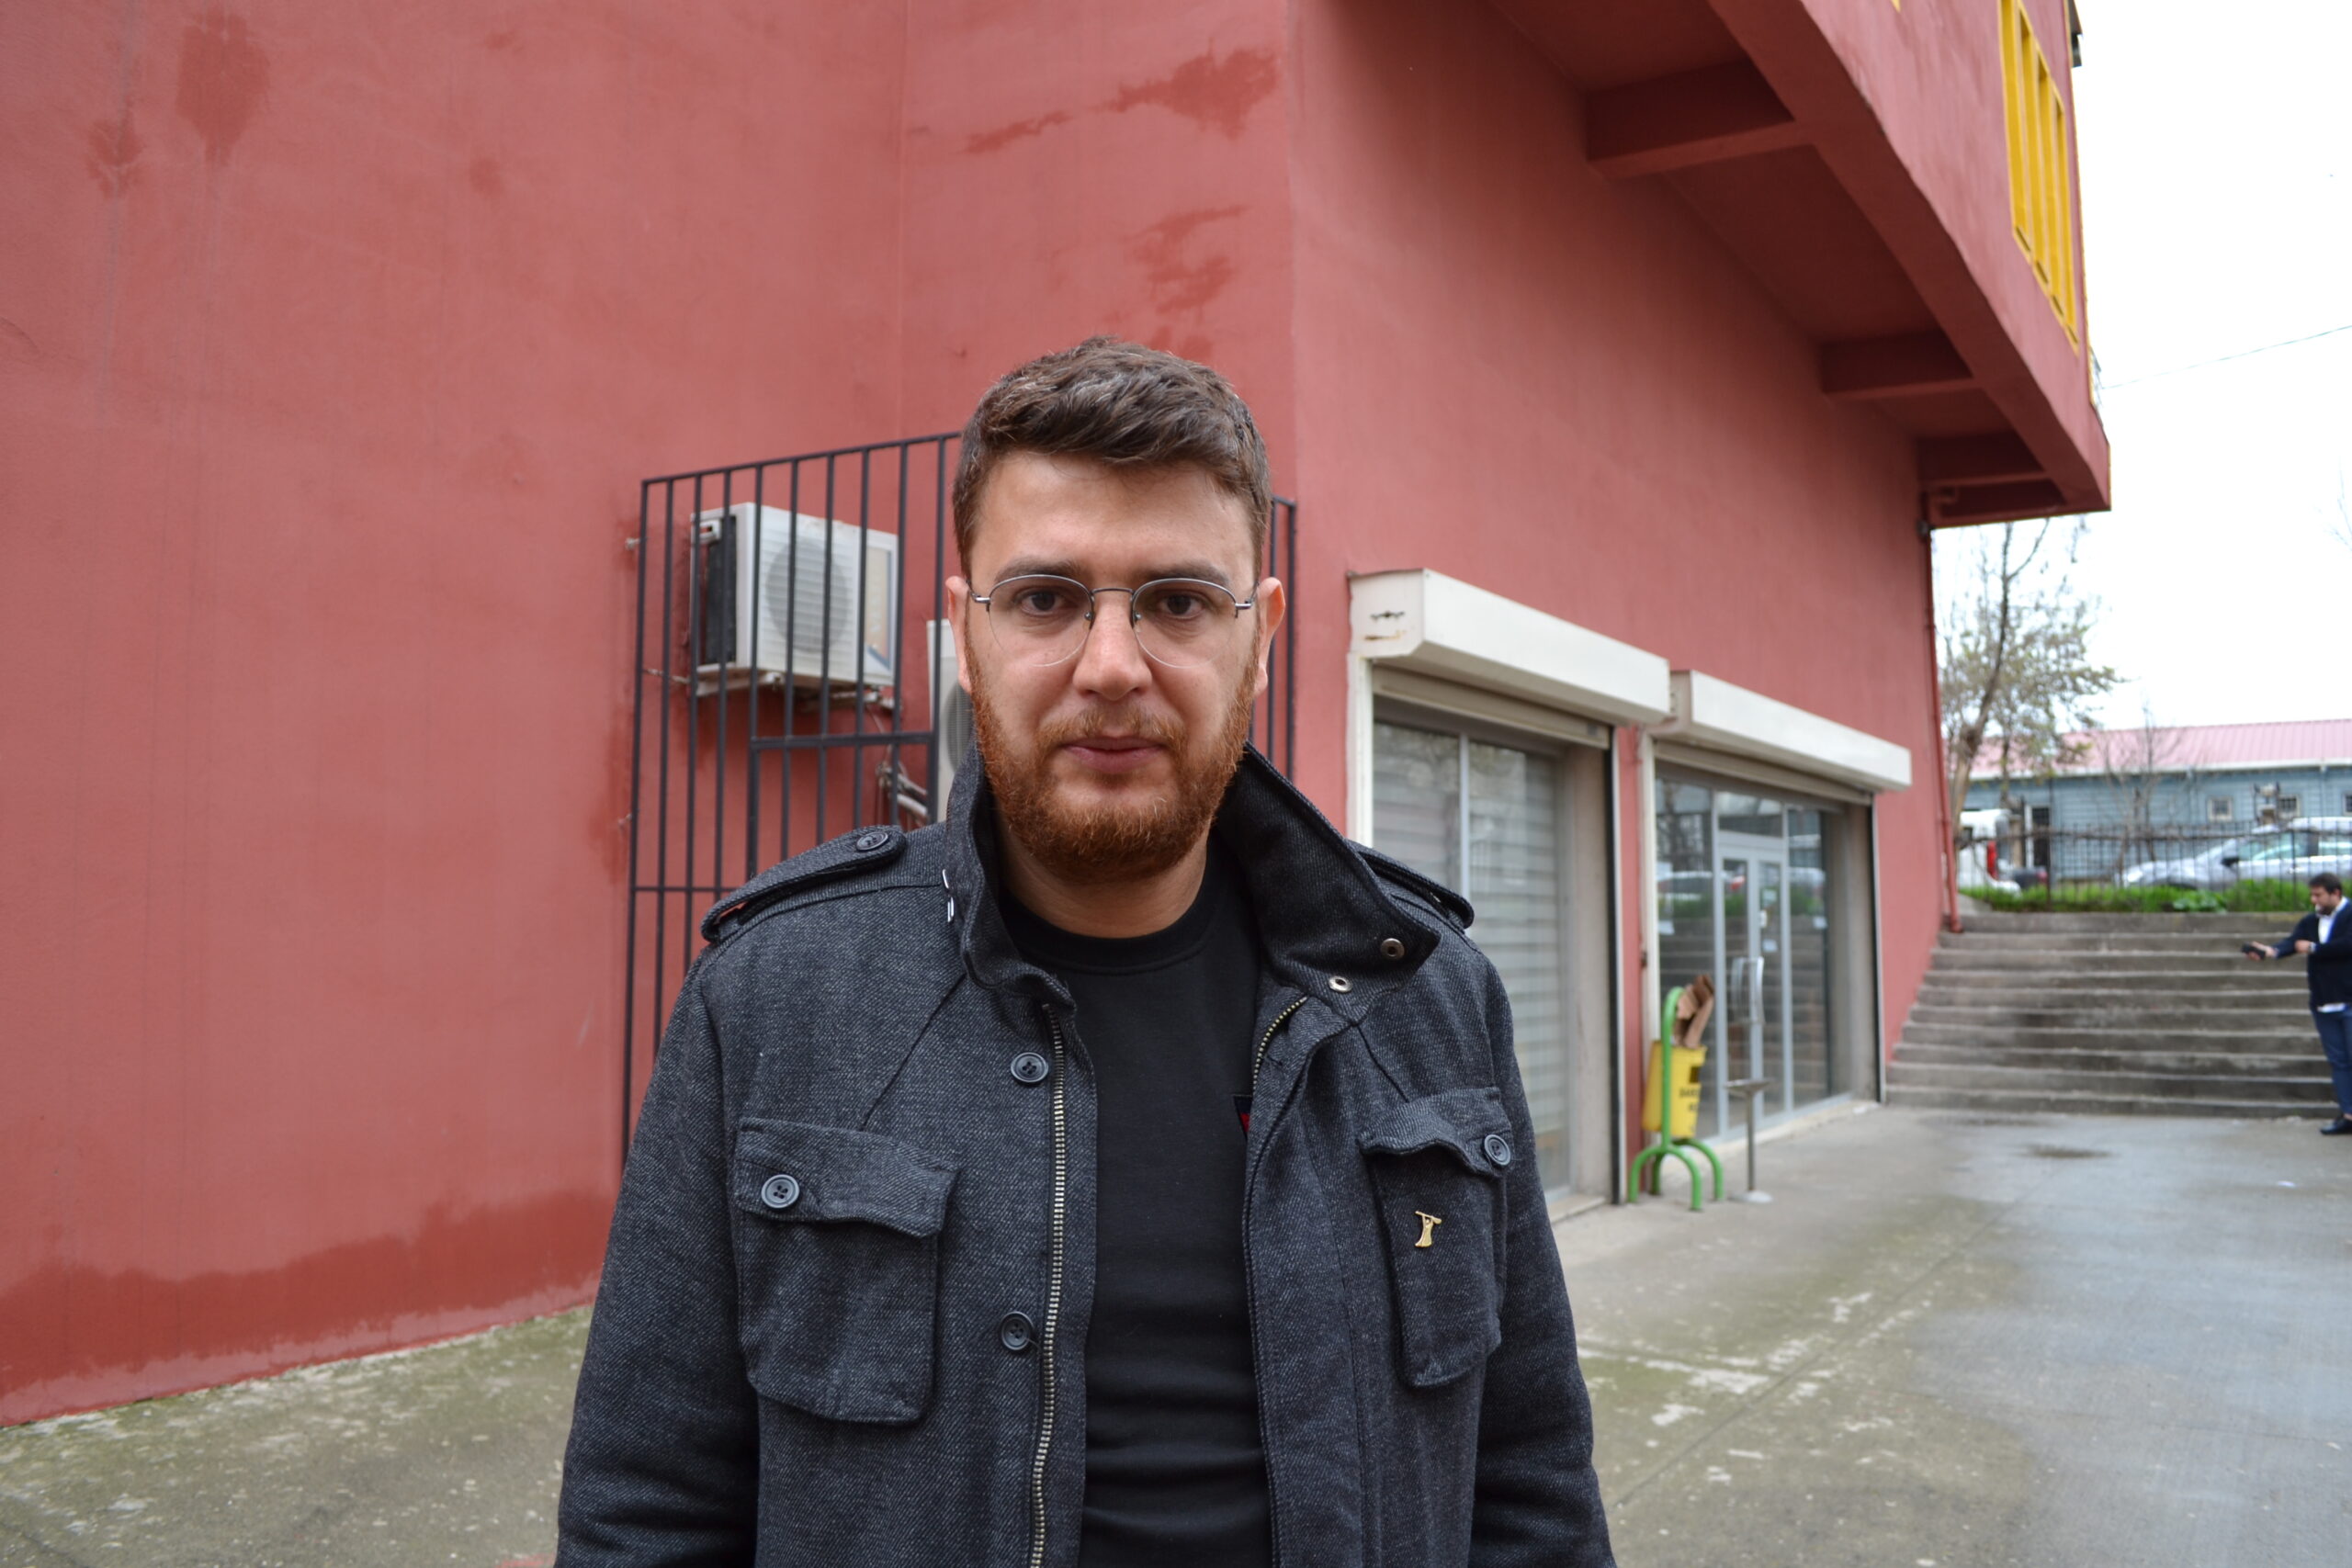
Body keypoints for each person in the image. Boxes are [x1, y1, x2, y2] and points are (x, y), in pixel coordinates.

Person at [555, 339, 1614, 1567]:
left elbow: (1531, 1485)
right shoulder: (773, 997)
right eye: (1047, 598)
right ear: (966, 633)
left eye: (1178, 602)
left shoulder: (1426, 994)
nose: (1112, 667)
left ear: (1262, 636)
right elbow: (647, 1509)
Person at [2246, 872, 2352, 1134]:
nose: (2313, 900)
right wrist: (2270, 951)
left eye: (2318, 895)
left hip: (2349, 1000)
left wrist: (2315, 948)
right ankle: (2349, 1115)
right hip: (2323, 1002)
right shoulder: (2311, 920)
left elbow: (2347, 944)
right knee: (2338, 1062)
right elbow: (2293, 943)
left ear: (2336, 893)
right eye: (2312, 895)